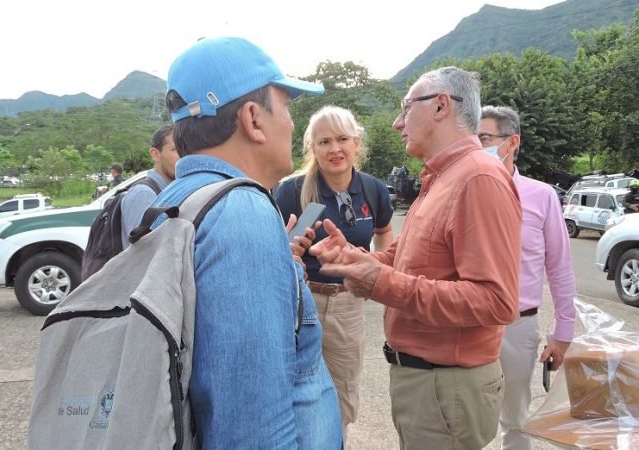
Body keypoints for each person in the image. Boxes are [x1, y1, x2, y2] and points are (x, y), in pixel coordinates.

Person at [309, 66, 522, 449]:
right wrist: (361, 259)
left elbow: (496, 301)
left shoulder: (477, 178)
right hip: (431, 385)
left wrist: (380, 282)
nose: (396, 123)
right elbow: (413, 257)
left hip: (446, 385)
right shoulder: (443, 176)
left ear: (441, 106)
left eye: (406, 108)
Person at [149, 36, 342, 449]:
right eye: (287, 106)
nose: (291, 124)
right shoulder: (242, 214)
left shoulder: (175, 200)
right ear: (253, 119)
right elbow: (253, 433)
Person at [275, 105, 393, 439]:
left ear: (357, 143)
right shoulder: (292, 191)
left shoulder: (373, 190)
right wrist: (290, 253)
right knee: (295, 388)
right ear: (312, 147)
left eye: (342, 139)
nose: (334, 148)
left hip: (348, 304)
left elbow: (384, 230)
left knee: (343, 393)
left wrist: (377, 264)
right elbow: (279, 248)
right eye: (324, 141)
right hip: (301, 302)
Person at [479, 105, 577, 450]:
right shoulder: (466, 191)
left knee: (516, 421)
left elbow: (561, 268)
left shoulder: (541, 196)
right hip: (469, 323)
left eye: (485, 138)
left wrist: (563, 333)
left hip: (517, 327)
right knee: (466, 418)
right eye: (473, 139)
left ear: (512, 142)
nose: (478, 147)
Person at [119, 125, 179, 249]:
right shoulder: (144, 194)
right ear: (155, 154)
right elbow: (142, 252)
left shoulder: (172, 190)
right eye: (176, 149)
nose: (184, 156)